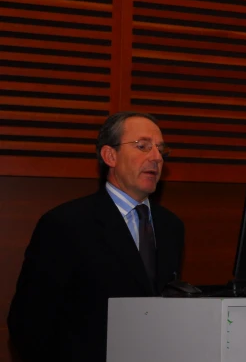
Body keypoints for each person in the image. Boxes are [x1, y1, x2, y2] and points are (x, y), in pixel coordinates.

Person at [7, 112, 185, 362]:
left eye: (160, 149)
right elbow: (28, 323)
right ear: (110, 156)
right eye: (143, 146)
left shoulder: (171, 226)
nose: (156, 157)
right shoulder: (65, 224)